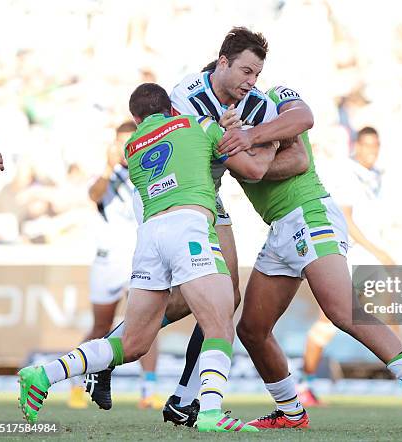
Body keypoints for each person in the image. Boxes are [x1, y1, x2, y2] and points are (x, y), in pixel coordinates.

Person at [17, 83, 280, 432]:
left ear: (137, 118)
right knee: (220, 320)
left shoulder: (132, 145)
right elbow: (246, 166)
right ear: (171, 108)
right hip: (190, 226)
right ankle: (211, 413)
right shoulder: (197, 124)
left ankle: (43, 373)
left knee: (131, 343)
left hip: (150, 237)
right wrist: (258, 138)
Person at [84, 27, 313, 425]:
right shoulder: (184, 95)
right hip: (170, 196)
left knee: (226, 295)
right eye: (245, 71)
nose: (251, 82)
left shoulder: (254, 104)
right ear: (222, 62)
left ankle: (171, 390)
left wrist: (250, 135)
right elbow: (225, 158)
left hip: (207, 195)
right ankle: (131, 363)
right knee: (208, 297)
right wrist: (243, 142)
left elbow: (302, 129)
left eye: (257, 75)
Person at [233, 86, 402, 432]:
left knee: (342, 311)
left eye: (253, 70)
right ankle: (291, 411)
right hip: (281, 226)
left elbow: (301, 146)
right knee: (251, 330)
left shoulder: (272, 98)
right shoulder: (219, 124)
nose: (250, 78)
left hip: (309, 214)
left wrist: (247, 144)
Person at [298, 126, 396, 407]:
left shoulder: (375, 175)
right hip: (354, 257)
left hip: (371, 259)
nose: (371, 150)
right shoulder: (347, 173)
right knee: (328, 322)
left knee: (391, 316)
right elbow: (348, 220)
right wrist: (379, 252)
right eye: (366, 145)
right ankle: (305, 383)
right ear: (356, 145)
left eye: (375, 145)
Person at [69, 122, 162, 410]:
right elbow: (95, 195)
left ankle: (149, 389)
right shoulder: (104, 176)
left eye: (129, 142)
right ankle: (75, 382)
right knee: (101, 324)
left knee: (147, 324)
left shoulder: (148, 172)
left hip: (141, 257)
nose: (124, 149)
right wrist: (110, 169)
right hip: (108, 260)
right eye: (120, 143)